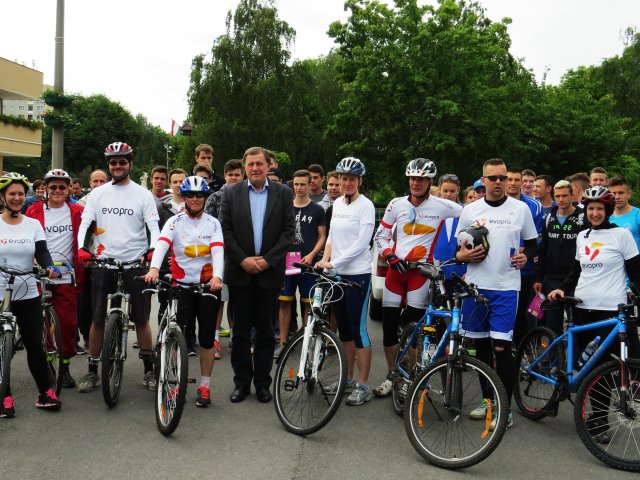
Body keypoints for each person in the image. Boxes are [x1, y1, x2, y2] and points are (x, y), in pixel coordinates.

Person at [548, 186, 640, 442]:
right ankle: (588, 411)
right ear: (586, 211)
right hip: (582, 306)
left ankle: (603, 415)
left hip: (611, 308)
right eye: (591, 209)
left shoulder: (622, 235)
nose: (595, 213)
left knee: (607, 366)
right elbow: (576, 272)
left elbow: (636, 271)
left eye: (600, 208)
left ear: (608, 210)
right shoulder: (583, 235)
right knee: (587, 365)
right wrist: (561, 289)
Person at [455, 158, 538, 429]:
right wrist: (465, 255)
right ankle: (487, 401)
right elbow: (459, 250)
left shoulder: (520, 209)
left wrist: (526, 258)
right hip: (476, 287)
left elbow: (533, 246)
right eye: (493, 178)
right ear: (483, 181)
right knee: (479, 348)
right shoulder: (470, 209)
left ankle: (505, 407)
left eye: (503, 178)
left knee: (501, 347)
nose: (499, 183)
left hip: (506, 288)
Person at [372, 161, 462, 397]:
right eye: (412, 178)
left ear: (430, 182)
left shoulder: (443, 206)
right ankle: (393, 375)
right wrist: (389, 254)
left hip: (420, 275)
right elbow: (380, 236)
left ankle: (409, 378)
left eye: (421, 179)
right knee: (389, 330)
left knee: (413, 331)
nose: (415, 182)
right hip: (395, 272)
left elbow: (475, 215)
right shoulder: (396, 204)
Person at [76, 141, 160, 393]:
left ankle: (149, 369)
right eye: (113, 162)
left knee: (143, 319)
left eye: (122, 161)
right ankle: (92, 371)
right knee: (98, 318)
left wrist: (153, 249)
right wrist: (82, 248)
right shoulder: (97, 194)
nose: (117, 165)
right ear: (109, 165)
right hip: (104, 262)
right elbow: (85, 224)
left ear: (130, 164)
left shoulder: (143, 194)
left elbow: (154, 228)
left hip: (135, 262)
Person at [220, 146, 294, 403]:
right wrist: (242, 260)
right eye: (250, 164)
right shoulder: (231, 193)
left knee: (265, 331)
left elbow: (288, 232)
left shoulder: (283, 193)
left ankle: (263, 383)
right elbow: (225, 231)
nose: (255, 168)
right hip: (240, 273)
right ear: (244, 167)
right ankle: (241, 383)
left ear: (267, 165)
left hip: (268, 273)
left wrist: (267, 261)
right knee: (240, 332)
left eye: (259, 164)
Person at [145, 176, 224, 407]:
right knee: (176, 337)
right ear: (185, 197)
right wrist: (153, 268)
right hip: (181, 286)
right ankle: (175, 383)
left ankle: (204, 386)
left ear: (205, 197)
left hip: (208, 285)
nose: (195, 199)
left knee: (207, 339)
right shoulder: (175, 222)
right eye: (190, 195)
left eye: (200, 195)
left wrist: (218, 276)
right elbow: (161, 245)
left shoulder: (213, 223)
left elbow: (218, 251)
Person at [0, 172, 62, 416]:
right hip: (0, 291)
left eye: (20, 193)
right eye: (12, 193)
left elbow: (42, 252)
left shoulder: (33, 225)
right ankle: (4, 395)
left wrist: (49, 267)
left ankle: (45, 391)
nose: (17, 198)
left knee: (35, 344)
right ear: (2, 197)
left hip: (27, 290)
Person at [316, 157, 375, 406]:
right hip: (336, 274)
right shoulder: (338, 204)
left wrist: (335, 263)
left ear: (359, 181)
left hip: (358, 275)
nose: (347, 183)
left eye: (352, 179)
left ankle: (363, 385)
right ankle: (348, 379)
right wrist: (326, 260)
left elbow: (362, 243)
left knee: (359, 331)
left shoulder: (366, 206)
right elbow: (331, 237)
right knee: (345, 332)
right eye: (343, 178)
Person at [25, 169, 86, 389]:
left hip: (67, 276)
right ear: (46, 190)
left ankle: (66, 366)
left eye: (62, 187)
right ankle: (48, 366)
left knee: (67, 325)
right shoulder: (33, 211)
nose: (58, 191)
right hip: (40, 278)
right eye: (53, 187)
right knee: (43, 327)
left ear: (69, 188)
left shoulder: (78, 211)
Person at [276, 169, 327, 358]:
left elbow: (322, 236)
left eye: (302, 184)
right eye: (296, 184)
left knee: (307, 304)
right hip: (287, 263)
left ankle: (305, 340)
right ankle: (283, 342)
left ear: (309, 184)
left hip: (307, 263)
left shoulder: (317, 209)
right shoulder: (285, 207)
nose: (299, 188)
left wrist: (313, 255)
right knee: (284, 303)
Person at [533, 180, 584, 335]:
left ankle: (576, 357)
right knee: (551, 323)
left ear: (572, 196)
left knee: (576, 323)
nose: (561, 199)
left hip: (576, 279)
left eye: (564, 196)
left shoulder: (582, 218)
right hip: (552, 279)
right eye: (558, 196)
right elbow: (543, 250)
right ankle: (554, 357)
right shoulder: (549, 218)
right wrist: (538, 278)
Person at [204, 159, 245, 354]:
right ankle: (214, 340)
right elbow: (207, 228)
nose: (234, 178)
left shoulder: (248, 197)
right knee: (217, 300)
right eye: (230, 175)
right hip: (218, 258)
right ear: (225, 176)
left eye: (237, 174)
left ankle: (237, 338)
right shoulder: (214, 198)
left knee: (236, 302)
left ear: (242, 176)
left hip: (241, 258)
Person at [506, 168, 544, 347]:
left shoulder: (534, 205)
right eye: (509, 179)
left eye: (516, 179)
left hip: (524, 268)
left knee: (521, 312)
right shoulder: (493, 203)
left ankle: (520, 349)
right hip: (500, 268)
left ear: (522, 182)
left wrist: (527, 250)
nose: (512, 183)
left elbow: (538, 237)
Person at [608, 176, 640, 249]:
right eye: (614, 193)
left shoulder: (638, 215)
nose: (617, 197)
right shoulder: (607, 219)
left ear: (629, 194)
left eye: (621, 193)